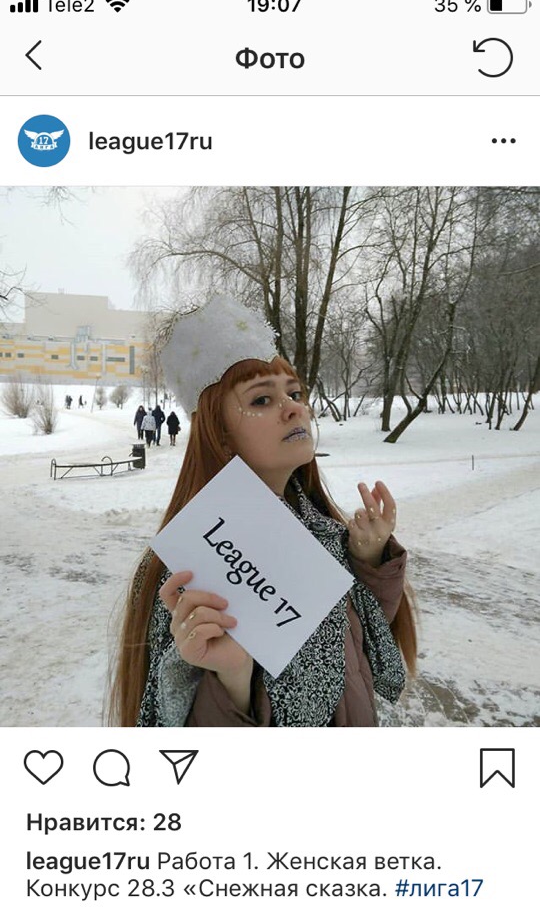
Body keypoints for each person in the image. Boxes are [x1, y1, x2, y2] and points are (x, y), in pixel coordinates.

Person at [111, 296, 416, 727]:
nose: (294, 408)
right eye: (261, 400)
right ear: (220, 433)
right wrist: (233, 677)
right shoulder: (188, 567)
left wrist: (368, 561)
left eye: (294, 392)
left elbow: (357, 651)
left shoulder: (326, 533)